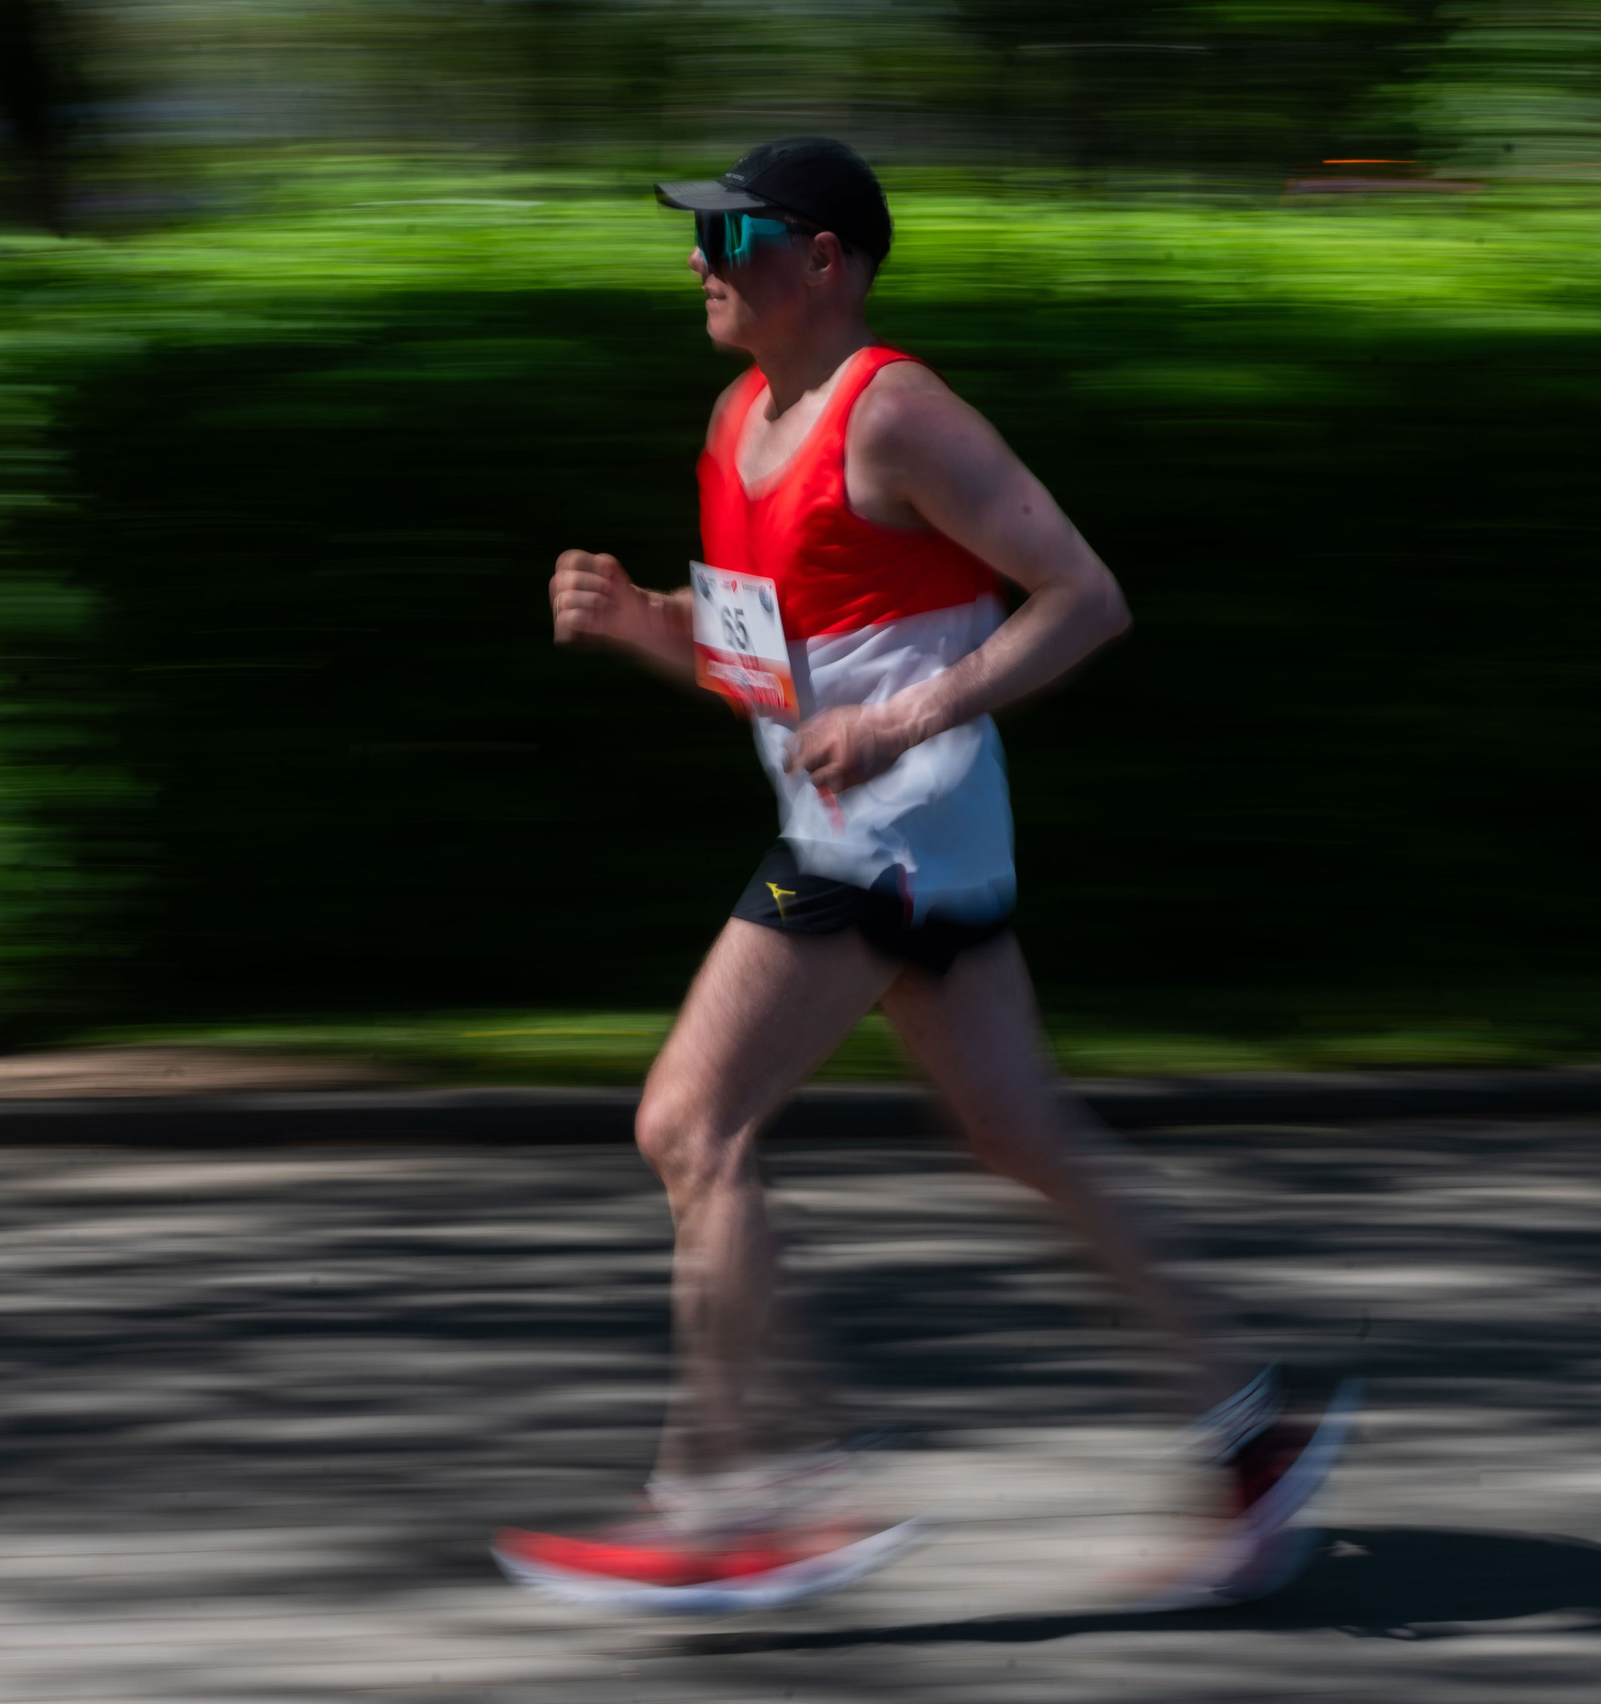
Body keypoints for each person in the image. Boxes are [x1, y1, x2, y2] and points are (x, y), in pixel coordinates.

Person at [492, 138, 1355, 1616]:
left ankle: (746, 1503)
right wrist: (646, 620)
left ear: (824, 258)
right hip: (893, 836)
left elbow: (1085, 596)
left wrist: (907, 715)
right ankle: (1249, 1438)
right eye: (700, 236)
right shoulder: (736, 421)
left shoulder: (898, 412)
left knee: (690, 1123)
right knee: (1024, 1137)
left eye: (736, 234)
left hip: (886, 836)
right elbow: (770, 659)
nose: (701, 261)